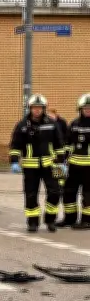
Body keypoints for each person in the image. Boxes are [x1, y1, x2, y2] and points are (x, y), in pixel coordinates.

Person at [9, 94, 66, 232]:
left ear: (44, 109)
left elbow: (59, 144)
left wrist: (62, 163)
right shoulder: (22, 125)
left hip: (51, 165)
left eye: (40, 108)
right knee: (30, 195)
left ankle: (50, 220)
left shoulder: (52, 124)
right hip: (30, 167)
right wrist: (14, 162)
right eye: (34, 108)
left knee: (55, 192)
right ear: (30, 108)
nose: (37, 110)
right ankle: (32, 222)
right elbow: (15, 146)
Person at [57, 94, 90, 229]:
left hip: (89, 167)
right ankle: (69, 219)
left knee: (88, 195)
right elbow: (67, 144)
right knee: (68, 192)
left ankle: (87, 220)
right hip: (74, 166)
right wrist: (62, 160)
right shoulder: (74, 124)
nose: (88, 110)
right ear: (80, 109)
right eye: (85, 108)